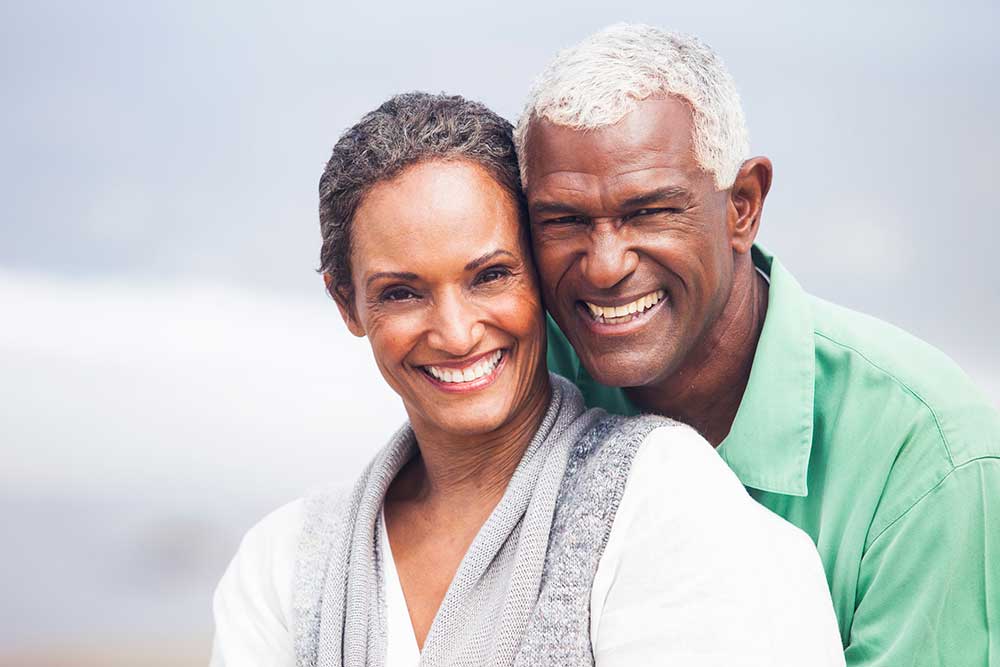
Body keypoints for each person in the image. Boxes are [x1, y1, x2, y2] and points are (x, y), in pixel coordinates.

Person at [210, 92, 844, 666]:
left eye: (490, 276)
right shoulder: (285, 564)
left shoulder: (662, 495)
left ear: (539, 273)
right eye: (402, 293)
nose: (456, 334)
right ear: (347, 304)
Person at [515, 23, 1000, 666]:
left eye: (651, 211)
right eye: (564, 220)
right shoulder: (524, 371)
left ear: (743, 206)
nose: (604, 266)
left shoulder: (930, 459)